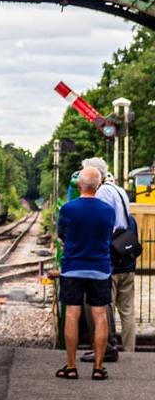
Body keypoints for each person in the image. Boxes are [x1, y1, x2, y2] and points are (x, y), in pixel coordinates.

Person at [55, 164, 113, 379]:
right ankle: (98, 368)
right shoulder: (108, 210)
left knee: (72, 313)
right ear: (98, 185)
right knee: (99, 315)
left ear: (79, 184)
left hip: (73, 268)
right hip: (100, 268)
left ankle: (71, 367)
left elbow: (62, 234)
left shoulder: (68, 209)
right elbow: (108, 235)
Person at [82, 156, 134, 358]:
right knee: (127, 311)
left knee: (103, 305)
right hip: (125, 254)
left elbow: (100, 222)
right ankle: (130, 350)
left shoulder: (102, 192)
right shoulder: (120, 190)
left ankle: (105, 346)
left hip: (110, 255)